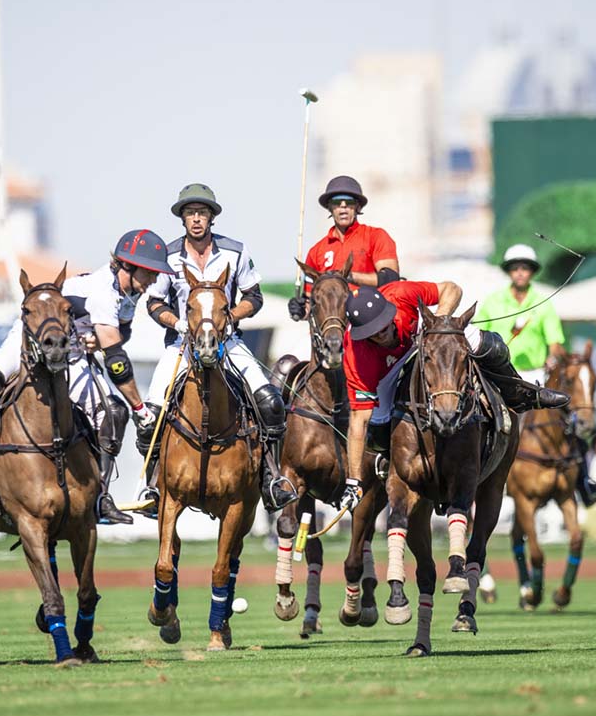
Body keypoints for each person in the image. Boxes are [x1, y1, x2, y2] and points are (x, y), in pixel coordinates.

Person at [0, 230, 175, 526]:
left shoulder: (128, 295)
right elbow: (116, 361)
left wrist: (99, 339)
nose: (153, 280)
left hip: (71, 357)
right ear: (127, 266)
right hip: (32, 343)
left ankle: (99, 495)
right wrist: (140, 408)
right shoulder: (103, 292)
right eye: (148, 272)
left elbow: (121, 333)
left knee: (113, 413)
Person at [340, 280, 570, 513]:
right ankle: (391, 464)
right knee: (377, 428)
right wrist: (353, 481)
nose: (381, 333)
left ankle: (522, 393)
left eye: (383, 325)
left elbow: (452, 289)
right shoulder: (358, 358)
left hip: (426, 330)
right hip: (384, 371)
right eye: (373, 332)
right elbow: (358, 421)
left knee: (492, 345)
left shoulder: (401, 295)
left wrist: (437, 325)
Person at [137, 183, 298, 512]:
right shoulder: (167, 256)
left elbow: (254, 297)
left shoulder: (235, 252)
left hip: (228, 343)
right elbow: (154, 304)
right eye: (190, 213)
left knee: (269, 403)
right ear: (182, 219)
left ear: (212, 218)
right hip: (181, 346)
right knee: (150, 415)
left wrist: (228, 318)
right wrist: (179, 324)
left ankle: (271, 478)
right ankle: (152, 485)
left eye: (202, 213)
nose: (196, 219)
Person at [472, 244, 596, 506]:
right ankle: (474, 474)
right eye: (515, 268)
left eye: (525, 268)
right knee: (479, 420)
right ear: (509, 272)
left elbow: (555, 342)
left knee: (571, 421)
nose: (520, 272)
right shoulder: (493, 302)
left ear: (532, 272)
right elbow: (479, 337)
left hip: (534, 376)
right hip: (499, 376)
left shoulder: (543, 303)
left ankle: (584, 481)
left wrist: (554, 355)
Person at [287, 175, 400, 320]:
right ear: (329, 207)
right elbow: (311, 303)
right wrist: (301, 310)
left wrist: (349, 277)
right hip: (334, 329)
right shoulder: (316, 251)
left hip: (370, 325)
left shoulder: (376, 236)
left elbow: (390, 278)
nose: (343, 207)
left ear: (358, 206)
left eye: (349, 202)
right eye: (336, 202)